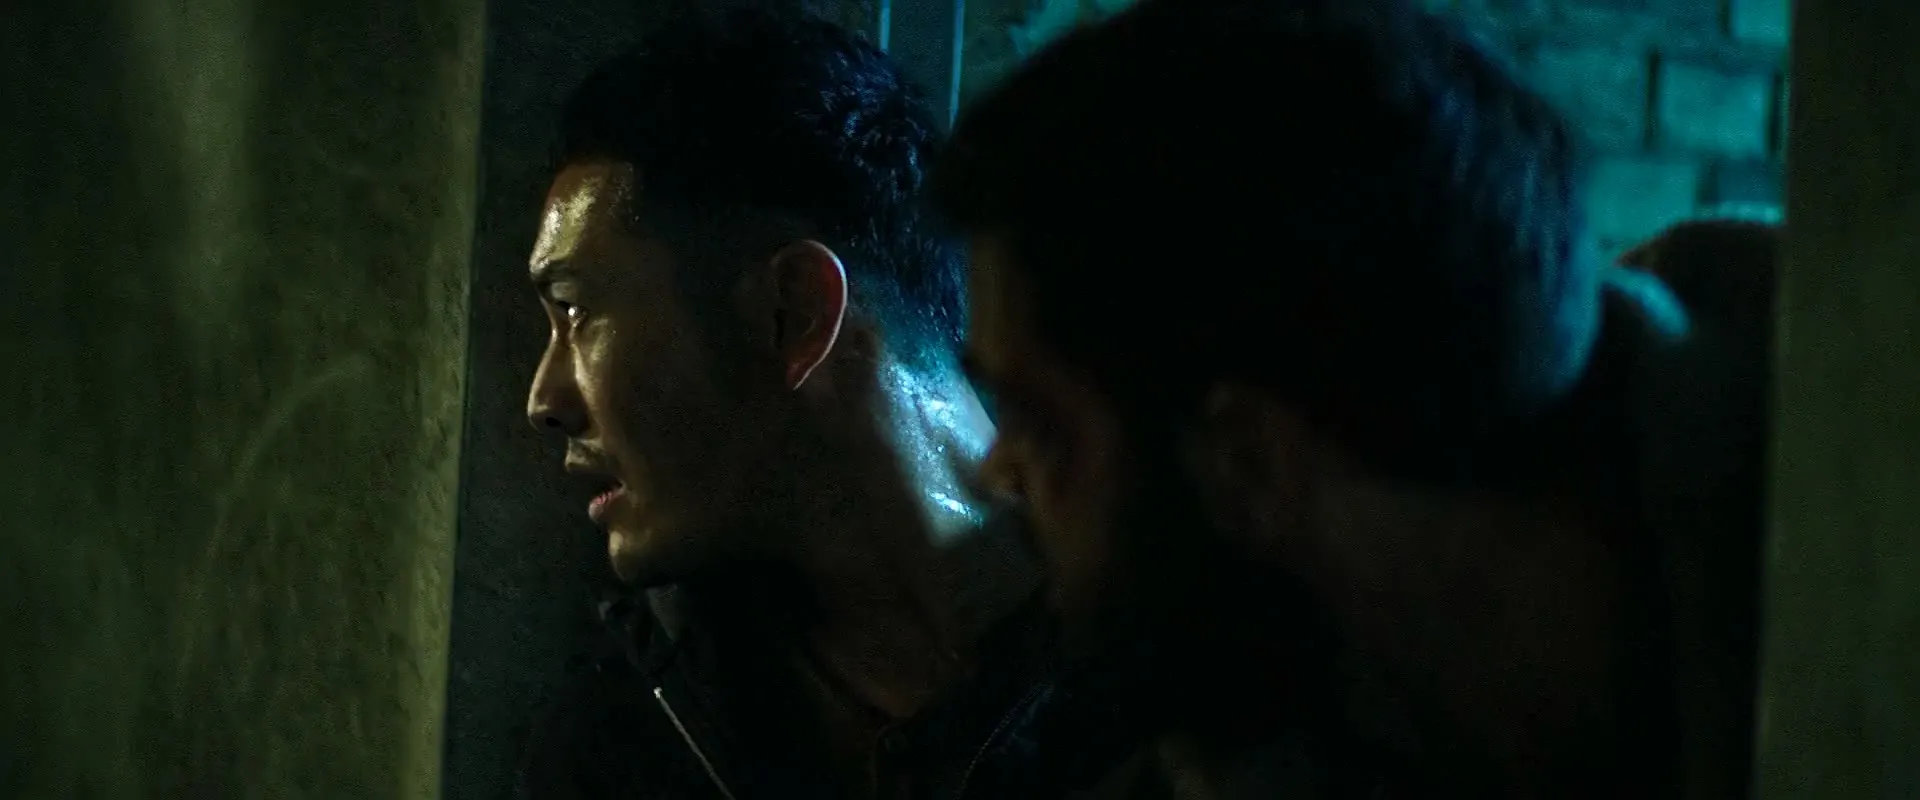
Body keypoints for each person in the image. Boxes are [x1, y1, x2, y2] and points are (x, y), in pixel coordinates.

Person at [928, 0, 1764, 796]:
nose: (996, 471)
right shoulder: (1311, 696)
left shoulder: (1827, 633)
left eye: (1039, 419)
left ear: (1250, 461)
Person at [516, 9, 1047, 799]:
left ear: (793, 314)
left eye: (575, 310)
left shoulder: (1182, 676)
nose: (544, 401)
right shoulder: (631, 731)